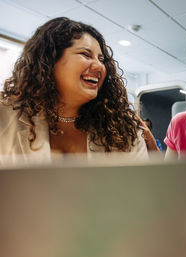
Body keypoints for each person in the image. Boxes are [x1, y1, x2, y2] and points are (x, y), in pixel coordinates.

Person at [0, 17, 152, 164]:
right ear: (50, 61)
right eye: (85, 54)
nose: (99, 66)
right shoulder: (5, 115)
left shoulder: (123, 129)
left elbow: (141, 187)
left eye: (101, 59)